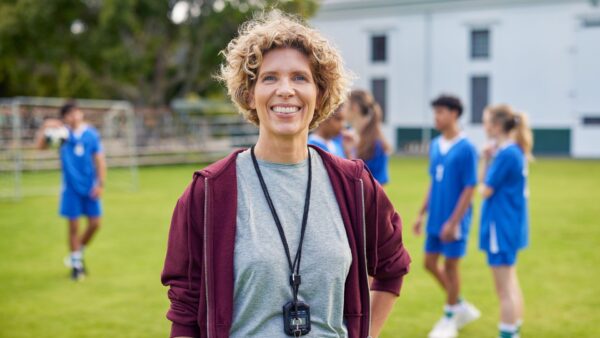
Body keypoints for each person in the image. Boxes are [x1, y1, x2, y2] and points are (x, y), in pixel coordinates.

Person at [161, 10, 410, 338]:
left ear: (319, 93)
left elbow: (393, 267)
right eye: (269, 78)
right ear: (250, 94)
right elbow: (185, 308)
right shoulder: (208, 192)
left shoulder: (354, 185)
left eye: (299, 77)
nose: (285, 90)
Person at [413, 95, 480, 338]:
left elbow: (470, 187)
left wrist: (454, 222)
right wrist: (421, 214)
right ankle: (459, 304)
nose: (436, 117)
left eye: (440, 112)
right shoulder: (435, 145)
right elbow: (433, 181)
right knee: (429, 263)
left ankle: (449, 319)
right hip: (435, 218)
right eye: (435, 112)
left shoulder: (467, 148)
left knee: (451, 267)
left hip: (455, 221)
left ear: (454, 114)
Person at [35, 102, 106, 281]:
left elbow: (100, 160)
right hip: (70, 188)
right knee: (73, 226)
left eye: (77, 112)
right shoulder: (61, 134)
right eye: (70, 114)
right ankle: (76, 266)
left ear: (81, 113)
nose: (74, 116)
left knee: (95, 224)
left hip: (89, 187)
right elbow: (39, 147)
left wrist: (100, 184)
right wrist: (45, 126)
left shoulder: (91, 134)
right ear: (65, 117)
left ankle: (77, 253)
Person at [480, 104, 532, 338]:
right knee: (511, 282)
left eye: (486, 121)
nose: (484, 126)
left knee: (504, 289)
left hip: (500, 226)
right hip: (509, 224)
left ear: (497, 125)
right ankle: (514, 329)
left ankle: (508, 333)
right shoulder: (513, 151)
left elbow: (485, 189)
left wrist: (485, 158)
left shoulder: (507, 153)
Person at [344, 89, 391, 185]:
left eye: (345, 105)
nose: (342, 109)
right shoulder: (346, 136)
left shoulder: (377, 145)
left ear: (355, 107)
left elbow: (379, 186)